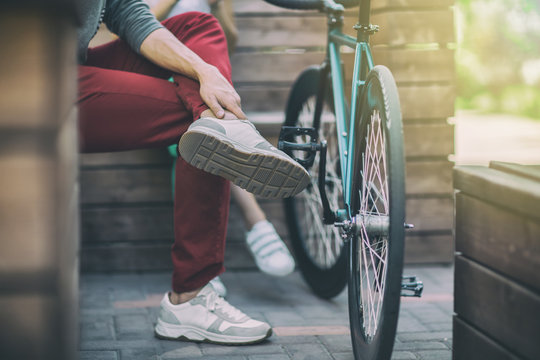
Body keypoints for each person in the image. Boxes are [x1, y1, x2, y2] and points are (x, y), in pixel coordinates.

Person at [77, 0, 309, 345]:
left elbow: (125, 12)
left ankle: (223, 123)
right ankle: (190, 297)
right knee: (205, 127)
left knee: (199, 26)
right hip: (28, 76)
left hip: (76, 65)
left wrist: (204, 71)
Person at [149, 0, 296, 298]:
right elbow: (136, 25)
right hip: (161, 76)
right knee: (207, 137)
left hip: (207, 81)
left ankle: (203, 267)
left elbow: (227, 39)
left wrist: (218, 6)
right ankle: (256, 222)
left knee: (209, 139)